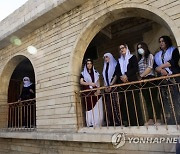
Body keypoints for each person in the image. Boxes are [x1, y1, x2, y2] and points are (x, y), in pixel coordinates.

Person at [114, 44, 144, 126]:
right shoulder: (119, 60)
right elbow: (117, 71)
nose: (121, 50)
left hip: (132, 83)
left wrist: (126, 75)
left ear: (126, 48)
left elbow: (135, 68)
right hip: (123, 85)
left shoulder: (132, 57)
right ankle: (130, 122)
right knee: (126, 105)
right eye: (120, 49)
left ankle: (138, 122)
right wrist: (122, 76)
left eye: (123, 48)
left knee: (134, 103)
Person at [154, 35, 180, 125]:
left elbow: (174, 61)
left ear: (167, 41)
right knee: (166, 100)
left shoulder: (174, 50)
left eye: (163, 41)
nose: (161, 43)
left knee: (177, 98)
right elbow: (154, 66)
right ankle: (170, 120)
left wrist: (161, 67)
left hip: (174, 77)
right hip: (163, 80)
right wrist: (161, 71)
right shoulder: (157, 54)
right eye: (160, 41)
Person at [137, 42, 161, 125]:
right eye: (138, 48)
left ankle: (158, 118)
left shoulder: (150, 56)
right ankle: (150, 118)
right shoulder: (139, 59)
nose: (139, 49)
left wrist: (141, 76)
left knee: (154, 99)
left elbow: (150, 67)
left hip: (150, 79)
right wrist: (140, 78)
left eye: (141, 47)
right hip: (143, 81)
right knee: (147, 100)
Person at [80, 59, 103, 127]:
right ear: (86, 65)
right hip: (88, 93)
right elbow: (81, 82)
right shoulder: (83, 73)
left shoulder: (95, 72)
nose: (89, 65)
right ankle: (90, 123)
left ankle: (97, 122)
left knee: (97, 107)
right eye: (88, 63)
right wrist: (90, 83)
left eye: (90, 63)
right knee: (89, 107)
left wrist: (98, 90)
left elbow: (98, 82)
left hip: (96, 91)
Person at [102, 53, 121, 126]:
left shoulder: (115, 64)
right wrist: (105, 86)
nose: (106, 59)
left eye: (107, 57)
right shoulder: (105, 67)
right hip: (107, 88)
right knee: (108, 105)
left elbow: (116, 75)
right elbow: (104, 77)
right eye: (104, 57)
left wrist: (111, 85)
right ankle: (110, 121)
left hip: (114, 87)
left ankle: (118, 121)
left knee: (115, 104)